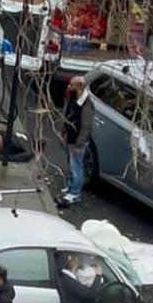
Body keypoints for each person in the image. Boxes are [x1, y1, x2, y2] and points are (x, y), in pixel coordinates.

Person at [58, 76, 93, 207]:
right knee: (71, 163)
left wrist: (80, 144)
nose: (68, 87)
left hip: (77, 139)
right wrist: (63, 130)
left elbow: (86, 126)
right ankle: (71, 185)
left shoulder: (87, 104)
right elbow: (67, 113)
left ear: (79, 87)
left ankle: (75, 193)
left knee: (76, 166)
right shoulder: (73, 97)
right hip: (70, 136)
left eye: (71, 85)